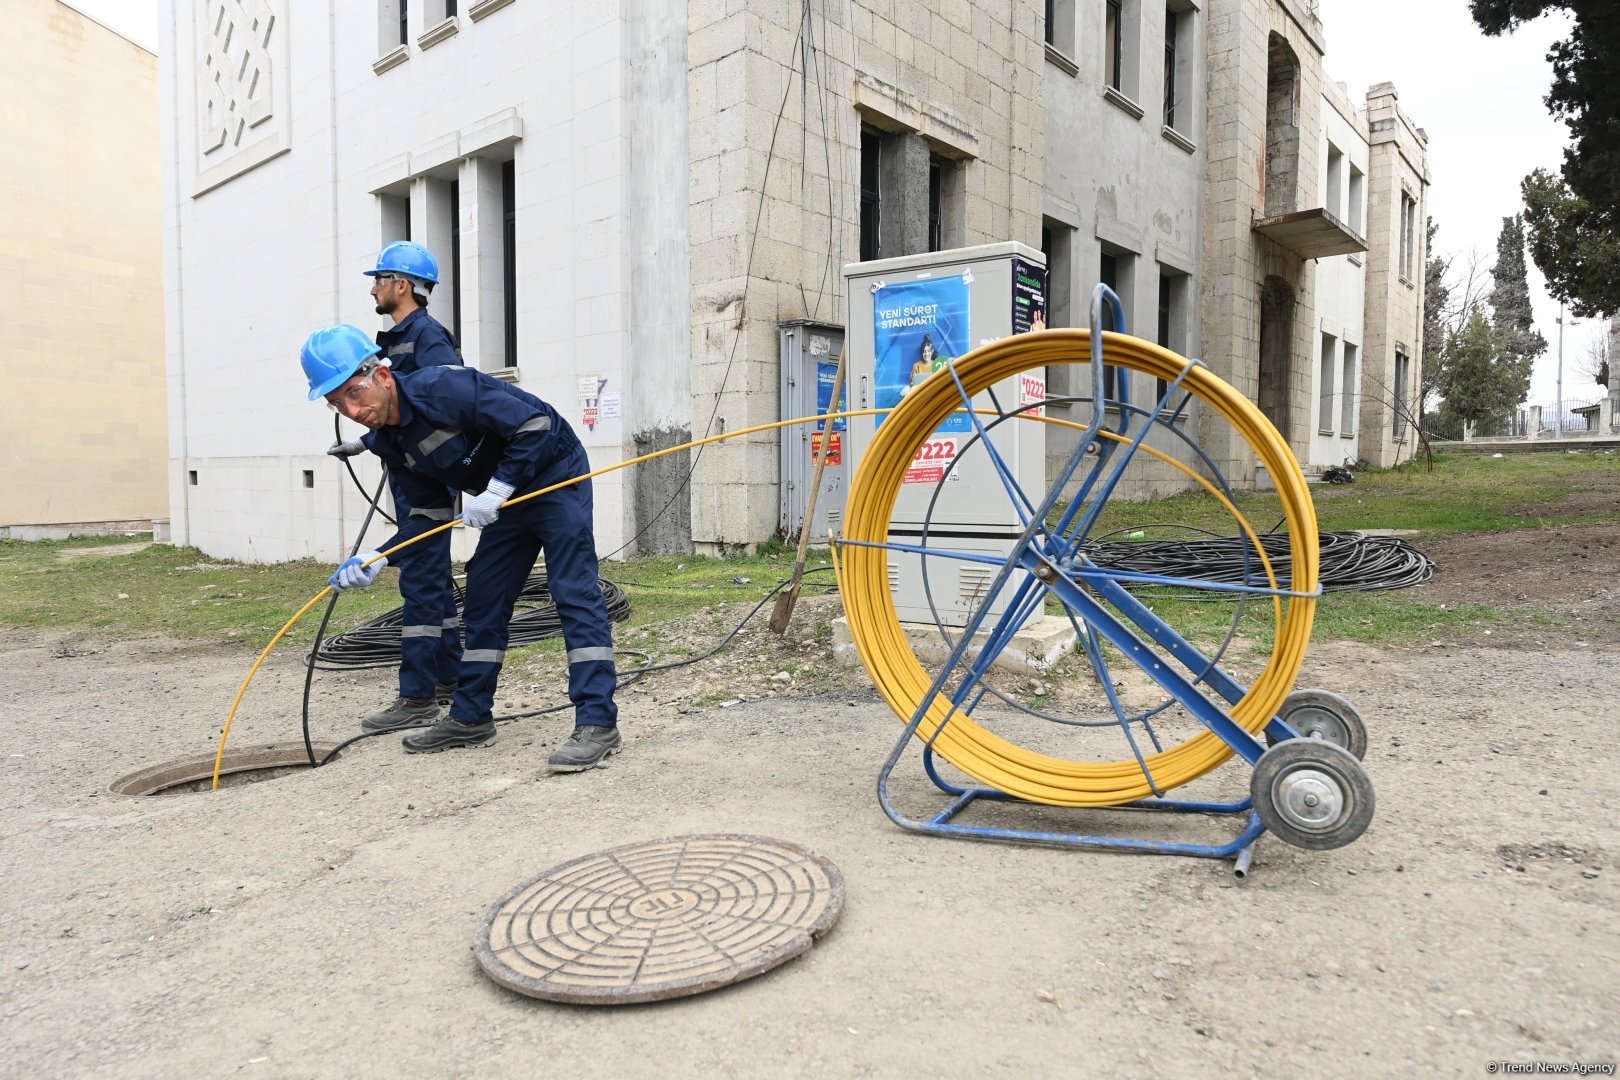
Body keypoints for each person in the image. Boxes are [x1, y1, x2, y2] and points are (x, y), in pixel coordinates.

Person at [300, 324, 622, 772]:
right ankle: (471, 716)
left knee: (573, 592)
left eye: (355, 393)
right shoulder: (392, 445)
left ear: (383, 375)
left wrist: (496, 490)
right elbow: (426, 521)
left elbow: (536, 424)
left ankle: (597, 723)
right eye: (338, 404)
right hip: (504, 498)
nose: (353, 410)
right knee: (484, 602)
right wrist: (378, 558)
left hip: (554, 475)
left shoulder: (444, 387)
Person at [327, 242, 465, 737]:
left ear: (401, 285)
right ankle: (450, 679)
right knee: (435, 587)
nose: (373, 288)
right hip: (409, 474)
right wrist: (367, 442)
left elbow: (437, 405)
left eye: (379, 279)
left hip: (428, 481)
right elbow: (393, 406)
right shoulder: (396, 341)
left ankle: (418, 696)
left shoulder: (428, 337)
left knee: (422, 587)